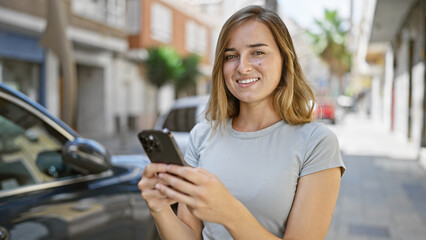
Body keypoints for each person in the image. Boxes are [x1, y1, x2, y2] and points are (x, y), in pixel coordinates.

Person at [138, 5, 345, 240]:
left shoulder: (317, 143)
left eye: (257, 52)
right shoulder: (202, 135)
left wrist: (228, 212)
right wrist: (159, 208)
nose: (242, 67)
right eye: (231, 56)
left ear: (285, 60)